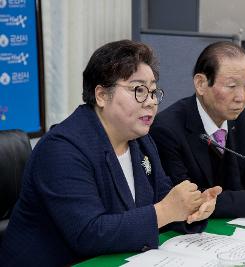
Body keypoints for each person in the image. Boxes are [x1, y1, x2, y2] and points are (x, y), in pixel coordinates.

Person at [0, 40, 221, 266]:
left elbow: (164, 199)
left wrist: (192, 209)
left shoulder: (142, 142)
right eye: (139, 90)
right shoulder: (61, 149)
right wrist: (165, 211)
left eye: (154, 92)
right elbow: (88, 233)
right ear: (102, 95)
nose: (151, 102)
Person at [150, 41, 245, 218]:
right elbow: (188, 200)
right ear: (201, 83)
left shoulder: (240, 118)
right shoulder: (167, 129)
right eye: (232, 86)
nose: (241, 97)